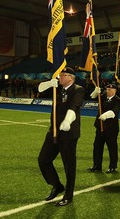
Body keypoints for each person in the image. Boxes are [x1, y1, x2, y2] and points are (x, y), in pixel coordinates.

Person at [37, 67, 85, 206]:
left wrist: (67, 120)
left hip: (68, 133)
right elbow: (40, 89)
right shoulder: (56, 88)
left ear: (71, 77)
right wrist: (48, 83)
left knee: (69, 165)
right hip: (54, 132)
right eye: (60, 75)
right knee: (43, 160)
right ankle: (57, 185)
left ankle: (68, 196)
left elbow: (74, 106)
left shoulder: (78, 89)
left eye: (63, 75)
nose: (60, 77)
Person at [88, 83, 120, 173]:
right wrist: (96, 91)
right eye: (107, 89)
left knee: (112, 147)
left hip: (111, 128)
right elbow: (92, 97)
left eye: (110, 89)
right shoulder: (103, 97)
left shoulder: (117, 100)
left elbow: (115, 111)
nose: (108, 91)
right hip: (100, 126)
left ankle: (113, 166)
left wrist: (106, 115)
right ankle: (97, 165)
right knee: (97, 146)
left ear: (115, 91)